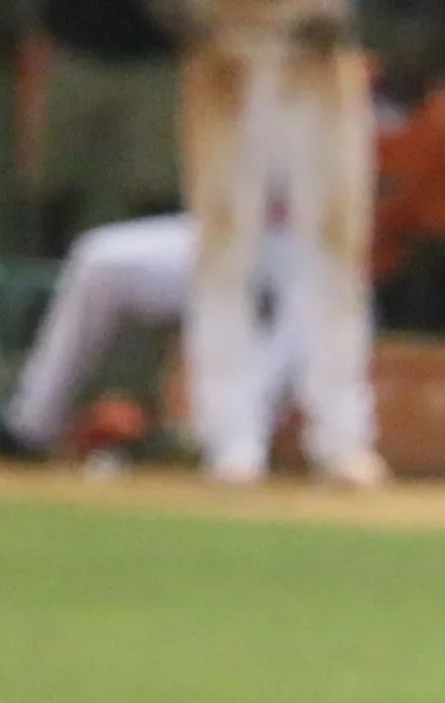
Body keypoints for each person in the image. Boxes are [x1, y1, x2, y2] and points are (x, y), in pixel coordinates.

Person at [0, 7, 445, 463]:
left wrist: (314, 27)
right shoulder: (217, 71)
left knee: (321, 279)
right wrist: (212, 24)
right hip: (232, 115)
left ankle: (333, 436)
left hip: (297, 256)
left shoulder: (347, 80)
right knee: (104, 261)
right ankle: (34, 423)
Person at [161, 0, 381, 485]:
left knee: (337, 245)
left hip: (315, 58)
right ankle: (230, 434)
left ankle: (342, 433)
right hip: (225, 55)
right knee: (222, 249)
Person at [29, 0, 185, 252]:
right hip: (76, 49)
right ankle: (45, 271)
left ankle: (149, 276)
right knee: (55, 186)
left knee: (155, 191)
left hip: (153, 58)